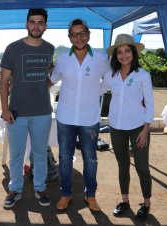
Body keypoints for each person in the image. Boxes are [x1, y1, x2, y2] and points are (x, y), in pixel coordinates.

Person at [49, 18, 110, 211]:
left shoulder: (100, 58)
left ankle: (90, 196)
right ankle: (65, 195)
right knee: (65, 158)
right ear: (69, 37)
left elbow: (109, 80)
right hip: (65, 117)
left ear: (89, 34)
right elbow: (50, 81)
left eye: (82, 33)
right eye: (74, 34)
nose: (79, 37)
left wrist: (96, 92)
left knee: (91, 159)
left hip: (90, 118)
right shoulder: (62, 59)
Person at [0, 8, 54, 208]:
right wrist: (5, 110)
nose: (36, 26)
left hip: (42, 111)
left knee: (40, 153)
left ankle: (40, 188)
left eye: (40, 22)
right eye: (32, 22)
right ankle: (15, 190)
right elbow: (4, 80)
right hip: (17, 113)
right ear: (26, 24)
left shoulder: (50, 48)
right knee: (16, 154)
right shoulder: (13, 48)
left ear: (45, 26)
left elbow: (45, 79)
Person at [102, 33, 154, 221]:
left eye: (127, 51)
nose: (123, 55)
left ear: (133, 52)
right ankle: (125, 200)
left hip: (139, 127)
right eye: (119, 52)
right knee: (122, 165)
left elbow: (150, 104)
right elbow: (97, 91)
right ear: (115, 55)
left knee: (142, 167)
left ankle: (146, 203)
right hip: (116, 127)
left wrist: (146, 129)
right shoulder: (111, 75)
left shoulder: (143, 75)